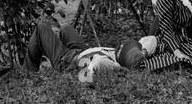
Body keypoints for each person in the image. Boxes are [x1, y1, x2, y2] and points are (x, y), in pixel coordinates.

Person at [24, 18, 158, 82]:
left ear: (121, 55)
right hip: (83, 51)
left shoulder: (108, 62)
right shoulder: (125, 54)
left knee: (41, 28)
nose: (122, 45)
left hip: (69, 61)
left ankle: (26, 73)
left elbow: (96, 66)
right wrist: (143, 52)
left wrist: (117, 68)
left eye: (123, 47)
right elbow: (151, 39)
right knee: (66, 28)